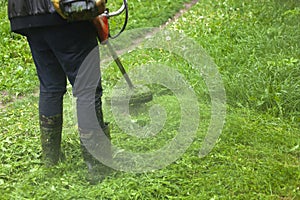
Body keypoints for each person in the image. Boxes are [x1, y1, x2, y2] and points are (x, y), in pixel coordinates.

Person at [8, 0, 112, 184]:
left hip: (26, 15)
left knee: (50, 87)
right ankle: (97, 166)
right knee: (87, 89)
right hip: (64, 11)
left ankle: (50, 161)